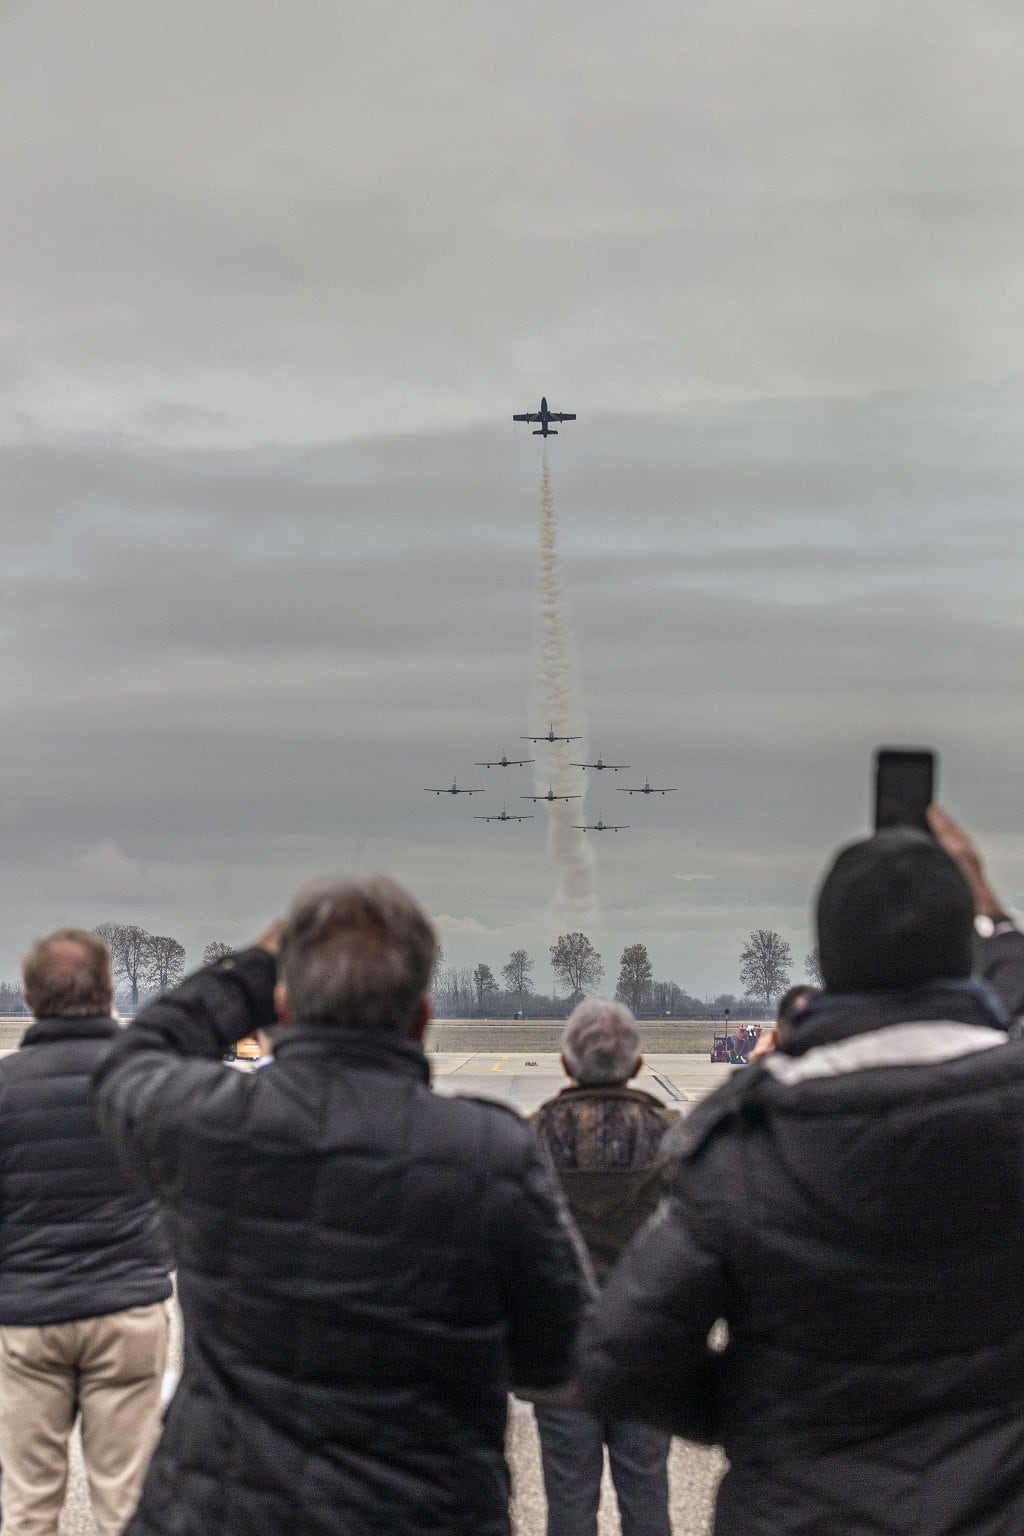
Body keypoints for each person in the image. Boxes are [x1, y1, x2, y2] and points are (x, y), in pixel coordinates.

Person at [94, 875, 590, 1536]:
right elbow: (556, 1359)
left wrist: (249, 972)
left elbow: (127, 1063)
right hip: (425, 1510)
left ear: (282, 1008)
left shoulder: (211, 1124)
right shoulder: (489, 1153)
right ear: (421, 1016)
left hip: (223, 1511)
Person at [578, 824, 1024, 1536]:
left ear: (833, 960)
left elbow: (620, 1355)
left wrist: (757, 1413)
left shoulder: (752, 1145)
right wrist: (997, 927)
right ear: (963, 951)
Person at [0, 929, 173, 1536]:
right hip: (127, 1306)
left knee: (28, 1503)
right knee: (126, 1500)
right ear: (109, 991)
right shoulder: (147, 1083)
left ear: (28, 997)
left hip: (28, 1313)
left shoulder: (5, 1087)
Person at [528, 998, 678, 1536]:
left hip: (563, 1357)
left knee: (569, 1503)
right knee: (647, 1499)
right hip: (646, 1351)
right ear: (637, 1065)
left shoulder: (532, 1139)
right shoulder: (674, 1139)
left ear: (567, 1064)